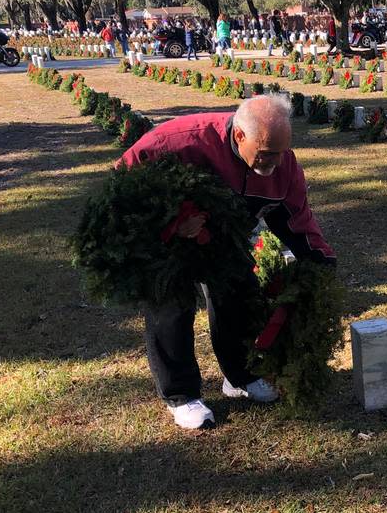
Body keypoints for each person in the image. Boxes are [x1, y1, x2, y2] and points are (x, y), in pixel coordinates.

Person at [118, 95, 337, 429]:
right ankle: (181, 395)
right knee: (171, 303)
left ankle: (239, 377)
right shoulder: (177, 144)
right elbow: (124, 191)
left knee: (239, 291)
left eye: (282, 152)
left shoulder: (283, 166)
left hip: (223, 238)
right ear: (239, 137)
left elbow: (297, 219)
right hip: (167, 241)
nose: (275, 163)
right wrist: (173, 223)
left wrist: (320, 258)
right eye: (267, 154)